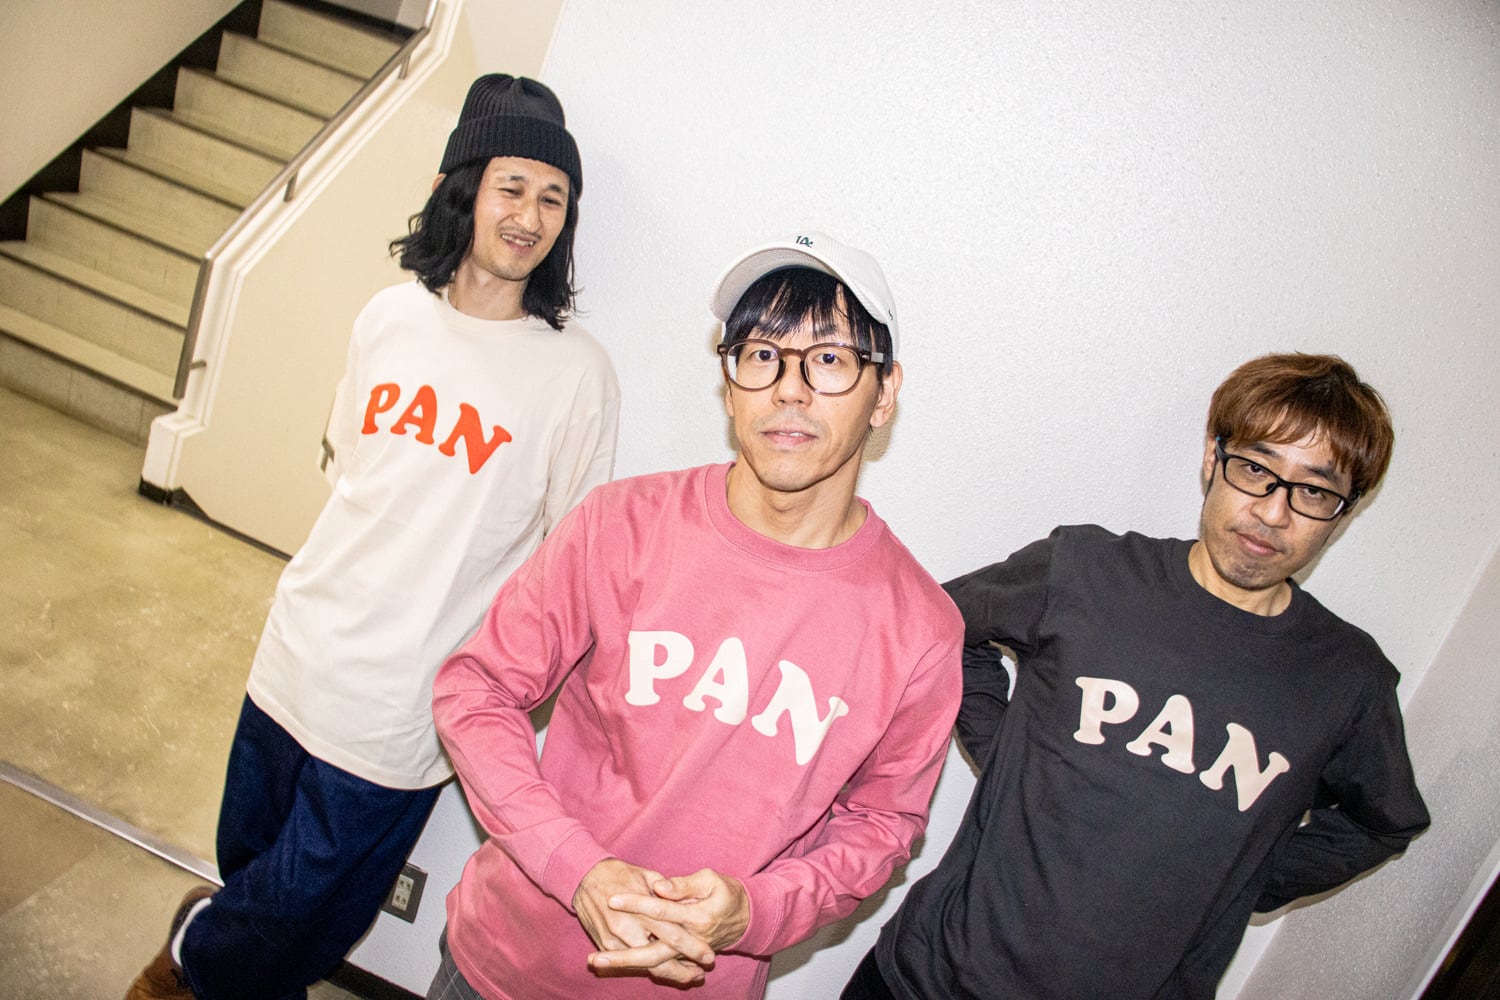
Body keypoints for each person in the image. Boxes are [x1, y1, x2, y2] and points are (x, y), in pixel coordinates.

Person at [126, 74, 620, 1000]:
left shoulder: (575, 375)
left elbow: (569, 559)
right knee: (252, 863)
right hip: (299, 648)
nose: (530, 216)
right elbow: (350, 470)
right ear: (461, 189)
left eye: (554, 198)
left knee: (313, 900)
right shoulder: (389, 317)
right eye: (512, 187)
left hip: (409, 697)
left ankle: (192, 956)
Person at [425, 232, 963, 1000]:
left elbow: (881, 827)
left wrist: (753, 911)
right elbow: (476, 690)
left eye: (830, 359)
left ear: (884, 392)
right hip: (500, 967)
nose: (789, 389)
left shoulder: (920, 631)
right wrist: (577, 870)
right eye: (761, 354)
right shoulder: (620, 524)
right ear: (730, 384)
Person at [844, 351, 1431, 1000]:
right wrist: (1005, 748)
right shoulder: (1086, 571)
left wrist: (1244, 878)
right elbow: (941, 629)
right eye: (1256, 469)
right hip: (926, 979)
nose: (1273, 512)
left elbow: (1383, 821)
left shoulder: (1348, 682)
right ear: (1212, 458)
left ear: (1344, 510)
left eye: (1313, 491)